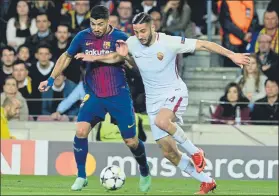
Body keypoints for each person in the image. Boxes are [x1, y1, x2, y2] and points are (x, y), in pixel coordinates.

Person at [76, 12, 251, 194]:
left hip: (174, 93)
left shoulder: (169, 42)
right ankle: (207, 181)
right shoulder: (132, 43)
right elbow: (116, 57)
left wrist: (232, 55)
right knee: (169, 153)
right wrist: (94, 58)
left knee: (162, 121)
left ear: (153, 27)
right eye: (136, 32)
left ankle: (195, 152)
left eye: (143, 31)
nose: (140, 36)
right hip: (153, 101)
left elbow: (204, 44)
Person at [38, 6, 151, 192]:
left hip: (118, 94)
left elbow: (120, 59)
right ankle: (81, 176)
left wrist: (93, 58)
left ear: (108, 22)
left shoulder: (120, 37)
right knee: (81, 130)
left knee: (131, 141)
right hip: (94, 95)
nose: (96, 28)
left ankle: (145, 170)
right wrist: (50, 79)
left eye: (100, 24)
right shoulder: (82, 37)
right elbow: (66, 57)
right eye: (93, 24)